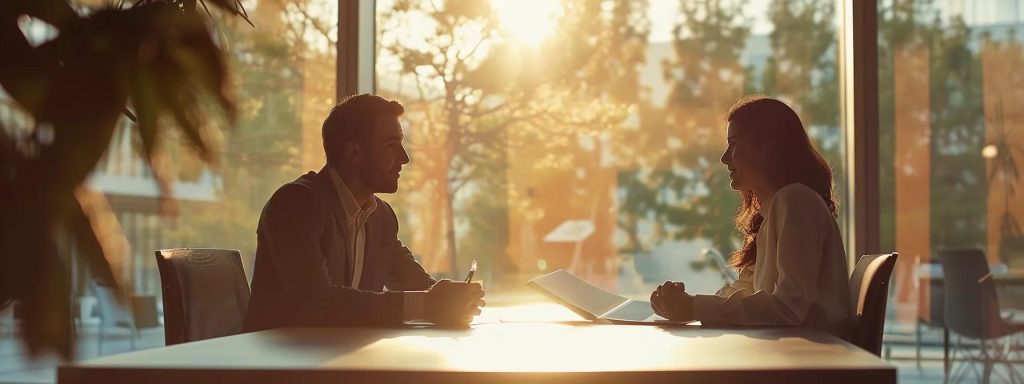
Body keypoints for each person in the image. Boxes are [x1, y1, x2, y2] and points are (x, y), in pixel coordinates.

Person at [244, 94, 484, 331]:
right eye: (391, 146)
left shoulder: (381, 216)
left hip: (338, 359)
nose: (404, 158)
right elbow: (316, 303)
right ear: (354, 153)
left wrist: (455, 299)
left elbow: (418, 285)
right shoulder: (296, 204)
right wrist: (429, 304)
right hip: (277, 363)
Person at [650, 96, 851, 338]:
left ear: (767, 147)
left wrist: (693, 307)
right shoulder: (776, 208)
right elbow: (746, 290)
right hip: (794, 355)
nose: (725, 158)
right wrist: (686, 304)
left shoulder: (796, 202)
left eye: (734, 144)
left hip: (809, 365)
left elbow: (789, 307)